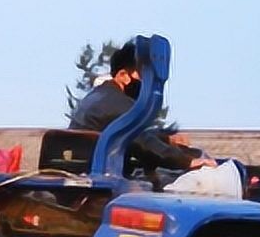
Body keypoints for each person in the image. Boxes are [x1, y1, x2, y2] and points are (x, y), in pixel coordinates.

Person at [69, 43, 215, 172]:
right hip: (96, 175)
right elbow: (144, 145)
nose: (146, 84)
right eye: (143, 76)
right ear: (123, 75)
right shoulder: (119, 103)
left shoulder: (98, 97)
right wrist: (187, 161)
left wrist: (165, 139)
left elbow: (131, 134)